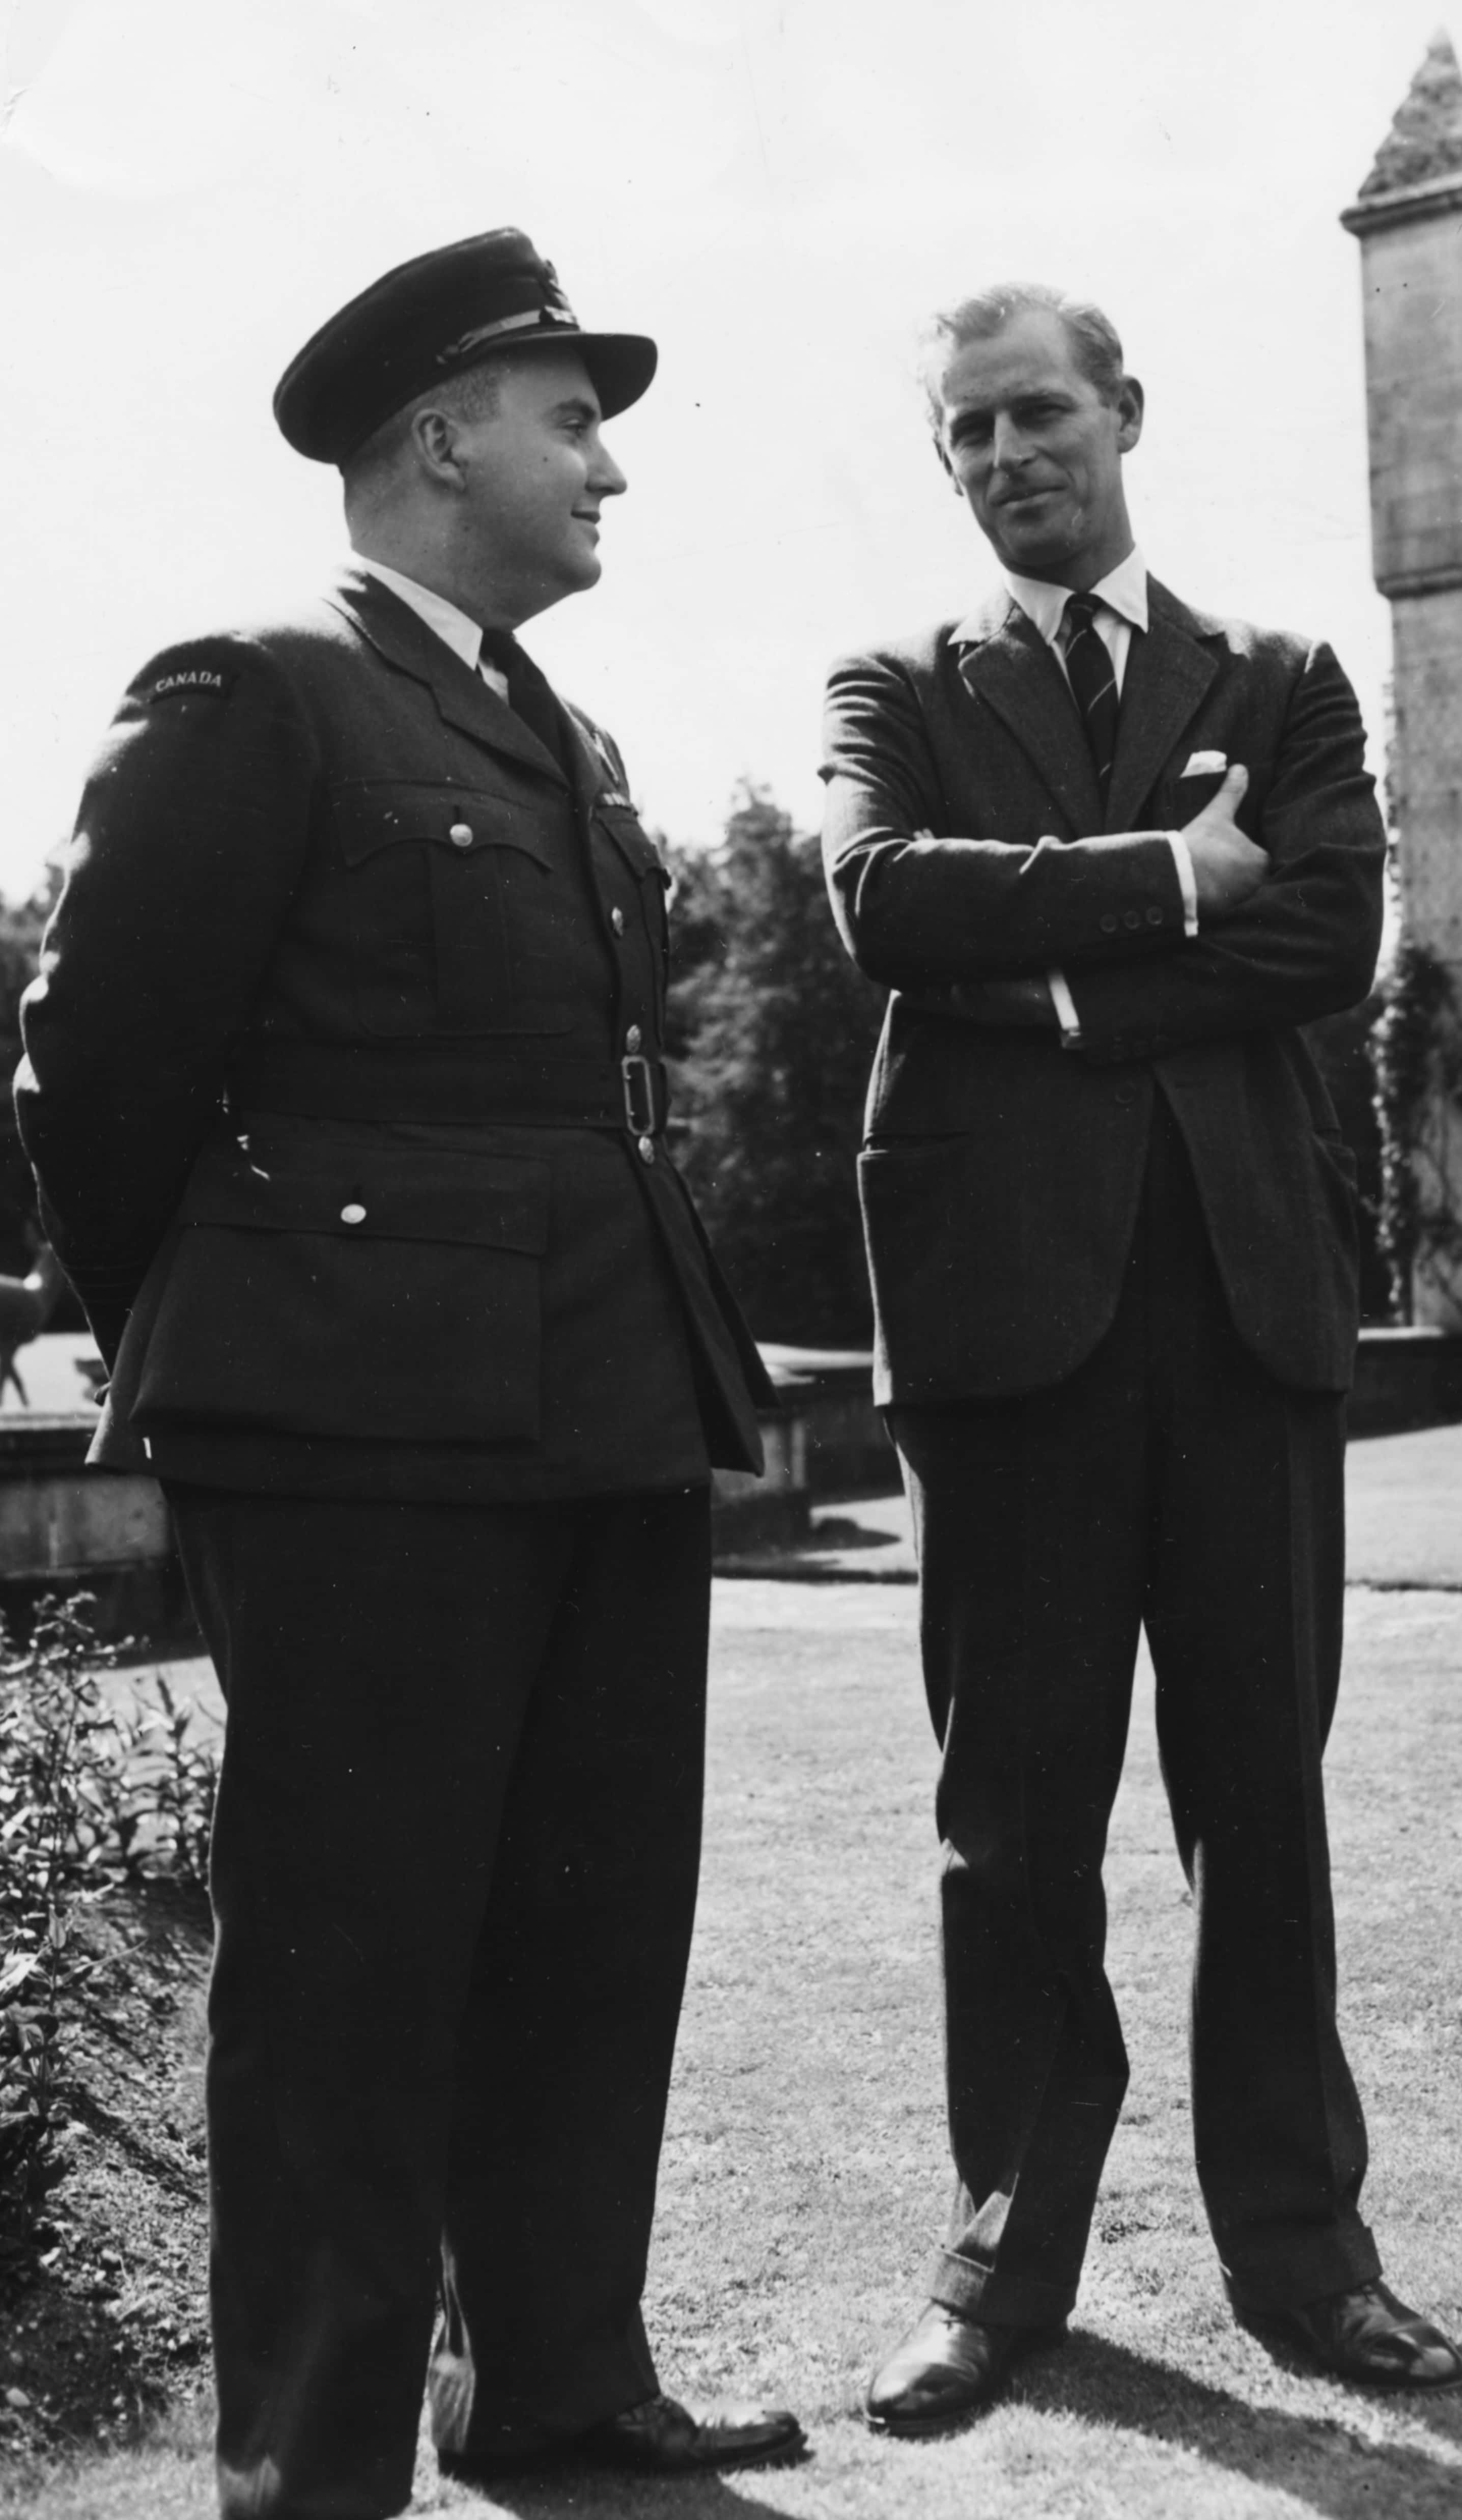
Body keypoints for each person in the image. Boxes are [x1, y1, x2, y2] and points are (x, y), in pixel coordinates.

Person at [16, 230, 804, 2516]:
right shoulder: (259, 689)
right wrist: (243, 1340)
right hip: (354, 1421)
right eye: (573, 421)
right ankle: (314, 2460)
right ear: (442, 438)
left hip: (601, 1393)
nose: (610, 470)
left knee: (592, 1917)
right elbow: (97, 1067)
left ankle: (552, 2380)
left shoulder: (563, 731)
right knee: (350, 1955)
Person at [820, 282, 1462, 2433]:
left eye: (1040, 411)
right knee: (1011, 1819)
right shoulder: (894, 687)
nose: (1009, 453)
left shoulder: (1277, 678)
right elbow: (885, 903)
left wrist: (1070, 987)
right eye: (969, 429)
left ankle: (1307, 2253)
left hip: (1244, 1315)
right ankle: (1001, 2267)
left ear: (1123, 413)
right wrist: (1172, 876)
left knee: (1259, 1806)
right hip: (1005, 1333)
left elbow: (1329, 928)